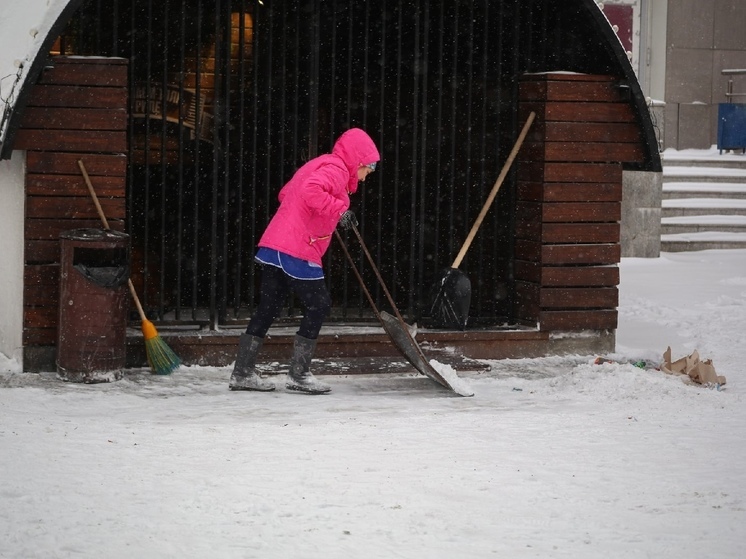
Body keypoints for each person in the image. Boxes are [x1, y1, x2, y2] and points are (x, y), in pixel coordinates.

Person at [229, 128, 380, 394]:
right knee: (319, 305)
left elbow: (286, 193)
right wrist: (338, 210)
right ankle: (299, 375)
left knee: (269, 306)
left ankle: (242, 372)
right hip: (297, 248)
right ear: (357, 160)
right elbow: (311, 191)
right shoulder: (336, 169)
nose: (367, 176)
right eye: (368, 168)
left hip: (275, 242)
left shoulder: (319, 163)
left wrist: (323, 218)